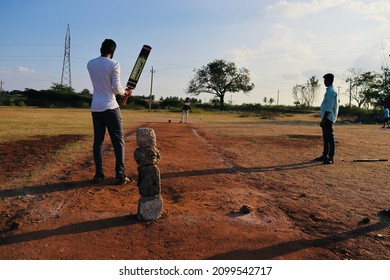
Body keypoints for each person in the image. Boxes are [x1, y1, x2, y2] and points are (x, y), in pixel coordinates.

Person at [87, 39, 132, 184]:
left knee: (98, 142)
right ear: (112, 52)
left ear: (101, 49)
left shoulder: (90, 64)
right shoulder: (114, 64)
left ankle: (98, 174)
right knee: (118, 141)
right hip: (111, 107)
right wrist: (125, 92)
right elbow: (115, 87)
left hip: (96, 107)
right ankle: (120, 174)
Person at [314, 73, 339, 164]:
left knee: (330, 138)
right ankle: (325, 155)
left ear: (329, 81)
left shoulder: (331, 91)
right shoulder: (329, 91)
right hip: (327, 117)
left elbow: (329, 107)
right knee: (326, 137)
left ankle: (331, 157)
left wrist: (324, 119)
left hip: (328, 118)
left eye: (325, 80)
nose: (324, 82)